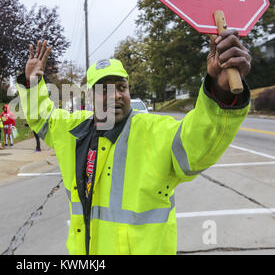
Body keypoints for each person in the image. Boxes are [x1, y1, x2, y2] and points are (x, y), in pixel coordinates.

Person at [16, 34, 251, 255]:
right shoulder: (72, 130)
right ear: (90, 97)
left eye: (121, 87)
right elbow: (42, 117)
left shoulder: (154, 132)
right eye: (104, 90)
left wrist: (220, 92)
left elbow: (198, 140)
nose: (116, 95)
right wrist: (32, 83)